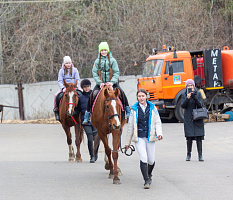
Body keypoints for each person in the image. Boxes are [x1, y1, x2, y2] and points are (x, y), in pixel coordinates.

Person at [82, 42, 131, 124]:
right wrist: (99, 82)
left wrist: (112, 82)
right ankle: (87, 116)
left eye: (105, 50)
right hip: (100, 83)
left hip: (112, 83)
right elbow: (94, 73)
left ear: (108, 51)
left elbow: (116, 72)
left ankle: (127, 110)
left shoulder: (113, 60)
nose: (103, 52)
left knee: (122, 93)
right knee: (92, 95)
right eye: (102, 50)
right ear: (99, 51)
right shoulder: (97, 61)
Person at [125, 88, 163, 189]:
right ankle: (146, 180)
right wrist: (127, 143)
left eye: (143, 96)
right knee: (143, 157)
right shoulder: (134, 110)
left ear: (146, 96)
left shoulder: (153, 108)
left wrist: (159, 133)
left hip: (150, 136)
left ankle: (149, 174)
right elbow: (130, 127)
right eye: (139, 96)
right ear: (137, 98)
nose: (141, 98)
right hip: (139, 137)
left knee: (151, 160)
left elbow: (158, 122)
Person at [181, 79, 205, 162]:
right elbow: (183, 106)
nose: (190, 87)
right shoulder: (184, 94)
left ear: (194, 86)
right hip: (188, 118)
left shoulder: (198, 93)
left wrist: (195, 98)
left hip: (197, 117)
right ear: (186, 87)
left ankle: (200, 155)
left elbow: (200, 105)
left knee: (199, 137)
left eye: (191, 85)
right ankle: (188, 154)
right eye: (188, 86)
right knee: (189, 137)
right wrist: (187, 98)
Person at [76, 79, 100, 163]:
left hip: (95, 120)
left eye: (88, 87)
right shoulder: (80, 97)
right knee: (90, 138)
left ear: (90, 87)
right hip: (85, 121)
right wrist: (73, 113)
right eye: (85, 87)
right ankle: (92, 156)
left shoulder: (95, 95)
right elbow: (78, 109)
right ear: (82, 88)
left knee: (96, 137)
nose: (86, 88)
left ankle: (96, 151)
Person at [53, 56, 81, 121]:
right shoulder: (61, 71)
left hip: (74, 87)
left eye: (69, 63)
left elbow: (78, 79)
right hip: (65, 88)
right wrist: (63, 88)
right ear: (64, 64)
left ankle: (83, 111)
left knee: (82, 95)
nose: (68, 65)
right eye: (67, 63)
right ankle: (56, 111)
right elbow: (60, 81)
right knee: (56, 96)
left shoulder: (75, 70)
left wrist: (76, 87)